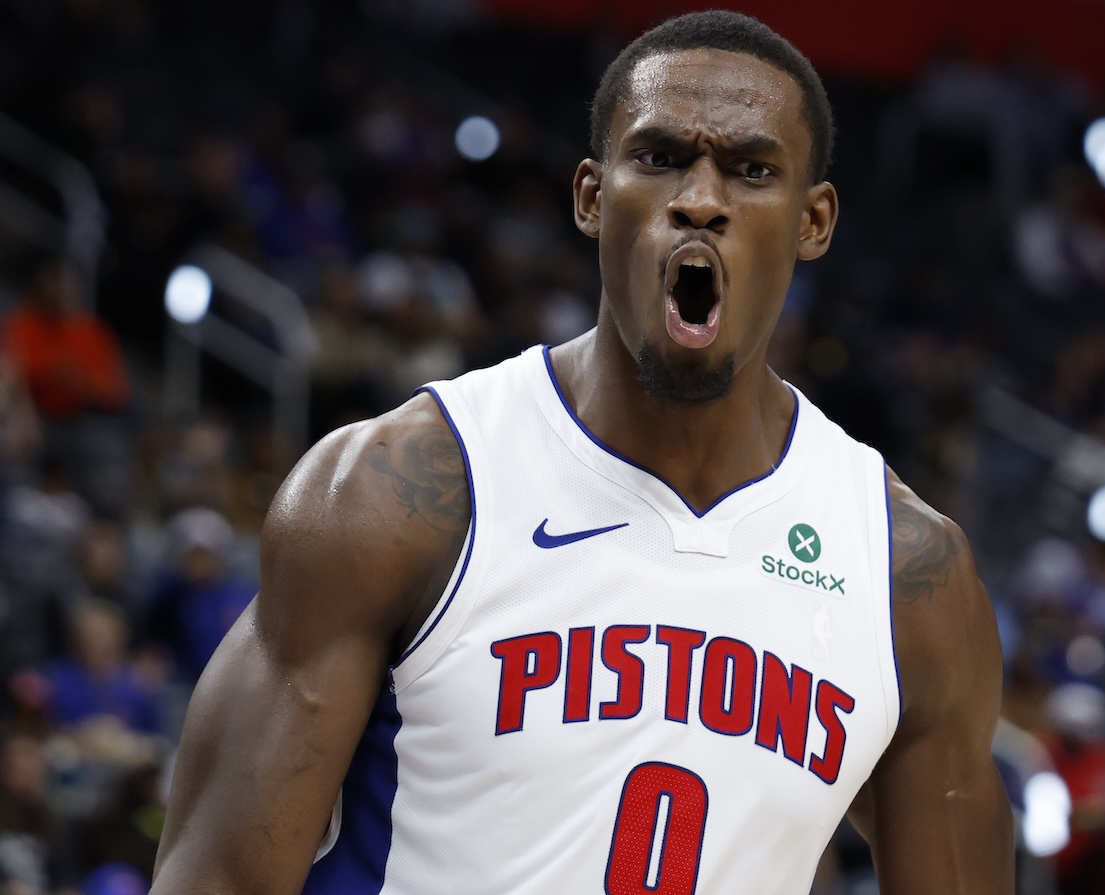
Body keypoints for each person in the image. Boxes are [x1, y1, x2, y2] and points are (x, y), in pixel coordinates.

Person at [152, 11, 1012, 894]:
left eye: (753, 171)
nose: (702, 199)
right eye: (661, 156)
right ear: (592, 198)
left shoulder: (907, 573)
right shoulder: (398, 492)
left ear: (814, 219)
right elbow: (215, 879)